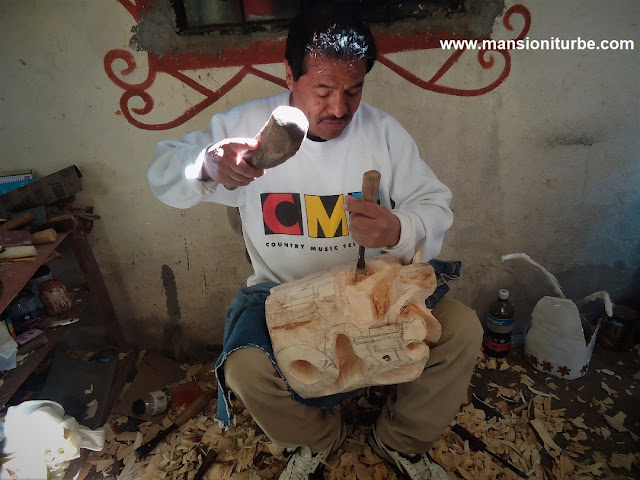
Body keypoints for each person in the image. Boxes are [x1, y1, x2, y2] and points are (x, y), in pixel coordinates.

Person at [147, 5, 482, 480]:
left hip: (373, 288)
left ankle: (400, 439)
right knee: (244, 369)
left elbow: (435, 204)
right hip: (281, 293)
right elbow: (163, 171)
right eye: (323, 90)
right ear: (290, 73)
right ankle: (318, 437)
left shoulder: (383, 133)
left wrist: (398, 229)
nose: (340, 109)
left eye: (354, 90)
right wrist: (206, 164)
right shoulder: (247, 126)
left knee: (462, 330)